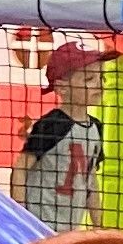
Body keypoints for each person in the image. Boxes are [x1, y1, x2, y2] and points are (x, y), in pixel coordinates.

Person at [11, 43, 107, 232]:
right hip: (39, 224)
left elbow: (90, 179)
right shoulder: (53, 124)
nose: (99, 84)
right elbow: (21, 168)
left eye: (102, 77)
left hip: (69, 228)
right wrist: (20, 215)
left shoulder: (95, 128)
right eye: (89, 78)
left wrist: (99, 225)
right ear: (62, 88)